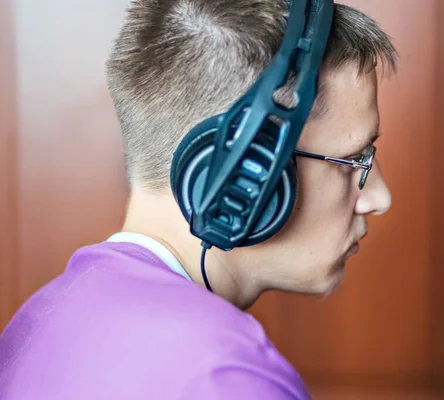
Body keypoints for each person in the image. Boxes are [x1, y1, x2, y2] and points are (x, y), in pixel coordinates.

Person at [0, 0, 396, 398]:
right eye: (353, 159)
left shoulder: (37, 318)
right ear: (247, 171)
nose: (378, 198)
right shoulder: (225, 376)